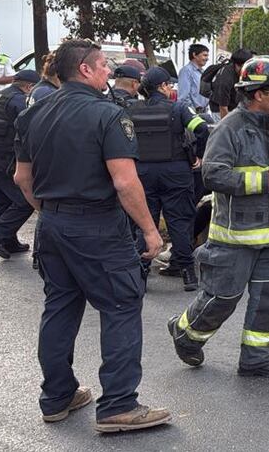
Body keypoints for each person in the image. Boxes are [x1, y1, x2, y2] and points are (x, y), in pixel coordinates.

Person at [13, 39, 170, 433]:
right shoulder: (108, 114)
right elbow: (125, 182)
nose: (108, 72)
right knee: (121, 305)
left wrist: (50, 212)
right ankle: (118, 405)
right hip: (98, 228)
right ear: (85, 69)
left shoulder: (34, 113)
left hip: (52, 225)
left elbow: (21, 178)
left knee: (60, 306)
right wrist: (151, 231)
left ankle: (57, 396)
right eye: (103, 66)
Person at [167, 56, 269, 379]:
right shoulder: (230, 128)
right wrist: (263, 181)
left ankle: (257, 358)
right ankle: (186, 333)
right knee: (222, 298)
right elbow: (212, 175)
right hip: (235, 238)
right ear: (257, 94)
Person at [129, 66, 209, 291]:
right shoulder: (179, 108)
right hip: (176, 173)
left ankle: (141, 274)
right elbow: (202, 129)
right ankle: (187, 274)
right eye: (169, 84)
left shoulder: (131, 110)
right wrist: (198, 155)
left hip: (143, 173)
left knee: (145, 223)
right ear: (162, 86)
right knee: (180, 222)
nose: (171, 88)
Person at [0, 69, 39, 259]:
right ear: (29, 86)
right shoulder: (19, 100)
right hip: (5, 157)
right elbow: (27, 128)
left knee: (1, 200)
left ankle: (7, 242)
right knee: (25, 201)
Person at [208, 47, 253, 118]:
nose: (244, 70)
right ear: (235, 64)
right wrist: (227, 123)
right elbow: (223, 107)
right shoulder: (225, 79)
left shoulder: (245, 72)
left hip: (234, 107)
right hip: (220, 111)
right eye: (241, 66)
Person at [177, 43, 210, 111]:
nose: (207, 58)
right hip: (194, 112)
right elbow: (183, 97)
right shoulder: (186, 71)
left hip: (203, 111)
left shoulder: (202, 72)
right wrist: (192, 111)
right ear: (194, 55)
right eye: (204, 55)